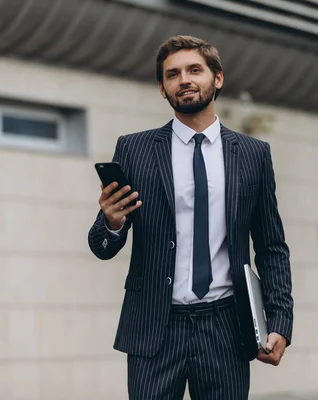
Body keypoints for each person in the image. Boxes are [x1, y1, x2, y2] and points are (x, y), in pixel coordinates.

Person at [88, 35, 293, 400]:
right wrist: (112, 222)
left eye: (194, 70)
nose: (183, 80)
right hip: (155, 325)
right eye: (172, 74)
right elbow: (101, 246)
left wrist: (279, 321)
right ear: (162, 89)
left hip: (226, 327)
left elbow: (271, 245)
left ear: (217, 78)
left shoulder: (253, 154)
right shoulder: (134, 149)